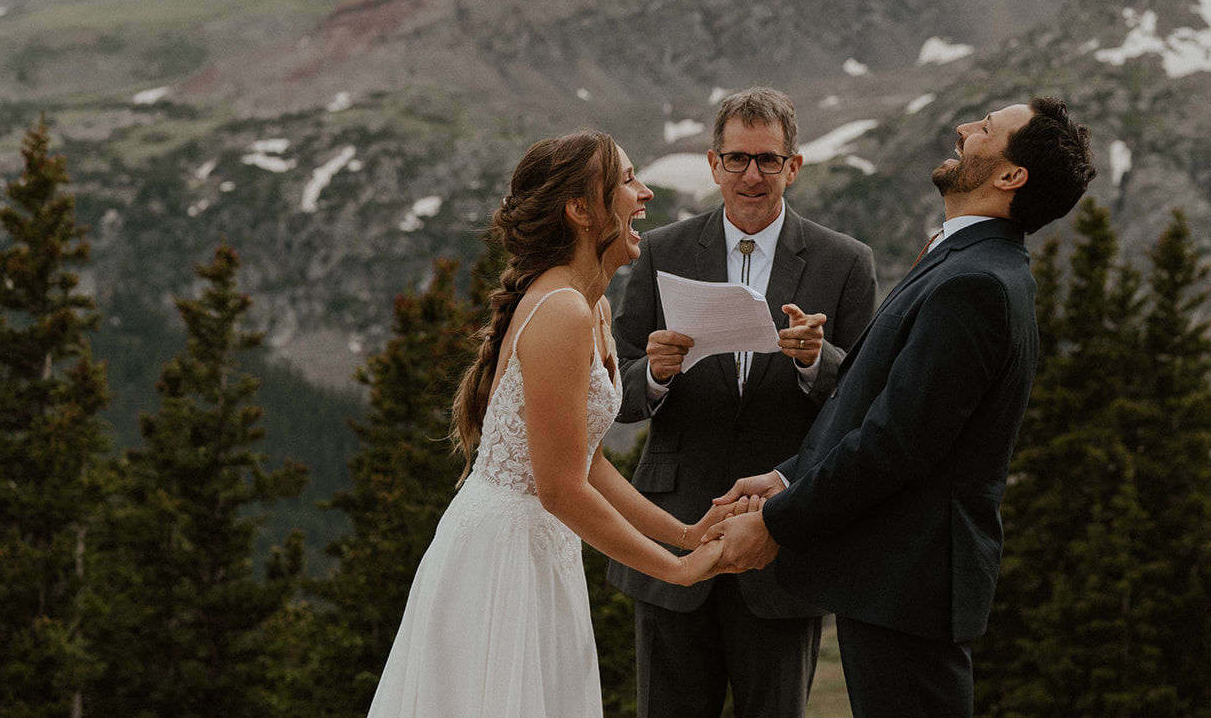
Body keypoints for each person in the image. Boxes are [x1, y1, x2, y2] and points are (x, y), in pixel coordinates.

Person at [708, 96, 1096, 718]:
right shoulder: (970, 264)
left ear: (1009, 176)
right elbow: (877, 404)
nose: (966, 127)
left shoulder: (974, 283)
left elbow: (896, 442)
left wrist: (777, 524)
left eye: (987, 129)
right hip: (897, 582)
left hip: (908, 582)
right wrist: (788, 477)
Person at [368, 130, 750, 718]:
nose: (644, 193)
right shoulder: (564, 312)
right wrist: (676, 572)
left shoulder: (591, 305)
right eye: (626, 180)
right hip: (502, 557)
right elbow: (560, 488)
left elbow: (588, 461)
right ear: (580, 210)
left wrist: (688, 532)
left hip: (541, 549)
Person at [607, 87, 879, 718]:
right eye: (737, 159)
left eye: (766, 159)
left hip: (783, 543)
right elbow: (615, 394)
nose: (751, 175)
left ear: (793, 166)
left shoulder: (844, 264)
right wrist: (656, 373)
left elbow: (866, 406)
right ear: (713, 163)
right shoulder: (662, 252)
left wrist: (817, 361)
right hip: (672, 533)